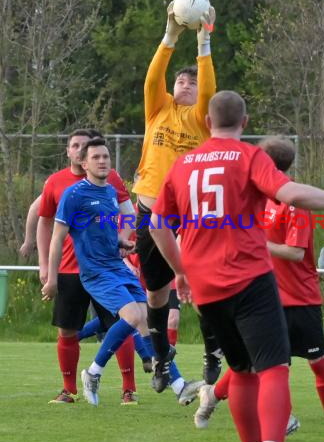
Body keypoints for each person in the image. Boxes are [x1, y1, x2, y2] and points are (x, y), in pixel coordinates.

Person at [149, 91, 324, 442]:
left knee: (241, 371)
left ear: (207, 122)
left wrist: (181, 270)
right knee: (273, 368)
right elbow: (292, 194)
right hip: (249, 280)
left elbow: (157, 225)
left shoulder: (182, 165)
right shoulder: (248, 156)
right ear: (244, 122)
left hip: (205, 286)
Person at [194, 136, 324, 442]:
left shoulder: (293, 202)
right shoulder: (251, 196)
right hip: (263, 295)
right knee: (258, 365)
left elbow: (294, 252)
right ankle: (225, 401)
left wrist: (255, 242)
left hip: (301, 296)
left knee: (318, 363)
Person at [41, 138, 203, 407]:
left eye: (106, 156)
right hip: (95, 271)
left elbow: (100, 230)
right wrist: (52, 279)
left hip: (117, 267)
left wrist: (121, 242)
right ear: (84, 163)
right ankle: (93, 372)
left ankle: (178, 384)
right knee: (133, 316)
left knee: (148, 321)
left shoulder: (109, 192)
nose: (103, 161)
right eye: (96, 157)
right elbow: (58, 237)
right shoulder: (74, 194)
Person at [132, 0, 221, 390]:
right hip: (151, 211)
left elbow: (210, 88)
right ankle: (163, 361)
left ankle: (212, 352)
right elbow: (153, 79)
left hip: (189, 214)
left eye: (191, 82)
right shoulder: (158, 110)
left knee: (200, 288)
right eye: (180, 81)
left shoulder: (201, 117)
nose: (184, 84)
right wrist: (170, 36)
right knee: (156, 293)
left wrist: (204, 42)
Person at [37, 129, 141, 404]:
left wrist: (123, 239)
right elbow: (45, 221)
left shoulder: (110, 181)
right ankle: (68, 390)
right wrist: (45, 268)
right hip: (70, 270)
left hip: (103, 268)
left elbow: (129, 213)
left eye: (90, 148)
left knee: (123, 322)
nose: (84, 151)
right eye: (77, 146)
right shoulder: (57, 183)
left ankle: (128, 389)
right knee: (67, 330)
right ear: (71, 153)